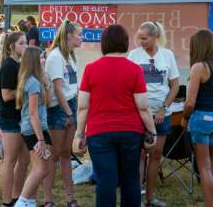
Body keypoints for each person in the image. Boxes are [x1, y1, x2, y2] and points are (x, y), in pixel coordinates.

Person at [74, 24, 156, 207]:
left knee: (105, 181)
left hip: (99, 132)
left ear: (104, 43)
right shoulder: (134, 70)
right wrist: (152, 131)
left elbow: (83, 107)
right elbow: (143, 107)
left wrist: (79, 133)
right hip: (131, 132)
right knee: (130, 178)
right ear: (126, 43)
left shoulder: (90, 69)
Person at [128, 21, 180, 207]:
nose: (141, 41)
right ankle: (137, 199)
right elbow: (127, 84)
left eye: (144, 38)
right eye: (139, 38)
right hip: (139, 114)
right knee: (139, 154)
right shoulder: (134, 55)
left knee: (156, 154)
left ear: (155, 36)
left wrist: (164, 108)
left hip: (161, 113)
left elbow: (174, 85)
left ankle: (150, 198)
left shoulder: (167, 55)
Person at [42, 20, 82, 207]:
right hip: (59, 108)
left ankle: (69, 196)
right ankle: (48, 199)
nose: (81, 37)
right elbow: (58, 89)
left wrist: (74, 110)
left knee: (66, 152)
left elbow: (71, 86)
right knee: (54, 155)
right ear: (68, 35)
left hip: (70, 105)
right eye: (78, 34)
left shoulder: (71, 56)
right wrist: (68, 114)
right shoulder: (55, 56)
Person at [14, 47, 54, 207]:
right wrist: (41, 139)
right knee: (42, 169)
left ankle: (28, 201)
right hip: (35, 129)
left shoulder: (34, 81)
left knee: (41, 167)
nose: (44, 59)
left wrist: (47, 84)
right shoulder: (32, 82)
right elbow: (33, 113)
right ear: (36, 61)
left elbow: (49, 103)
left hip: (34, 128)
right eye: (42, 57)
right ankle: (22, 202)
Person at [182, 29, 213, 206]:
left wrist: (185, 118)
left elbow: (190, 103)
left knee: (204, 167)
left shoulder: (199, 67)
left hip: (201, 119)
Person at [0, 32, 30, 207]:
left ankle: (17, 197)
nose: (25, 46)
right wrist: (28, 90)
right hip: (11, 119)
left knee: (24, 161)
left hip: (22, 118)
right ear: (12, 46)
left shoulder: (19, 64)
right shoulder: (9, 66)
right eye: (21, 43)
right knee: (10, 160)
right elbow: (6, 95)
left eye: (25, 43)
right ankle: (6, 201)